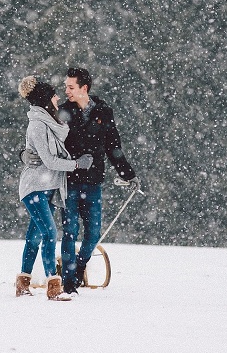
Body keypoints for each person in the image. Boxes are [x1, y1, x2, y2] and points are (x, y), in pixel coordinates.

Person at [22, 68, 141, 294]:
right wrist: (23, 154)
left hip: (94, 182)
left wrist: (128, 174)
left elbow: (113, 147)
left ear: (84, 88)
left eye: (70, 87)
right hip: (68, 182)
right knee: (70, 231)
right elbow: (40, 138)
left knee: (93, 233)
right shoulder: (62, 111)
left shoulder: (104, 112)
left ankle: (79, 268)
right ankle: (68, 283)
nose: (65, 91)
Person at [15, 75, 93, 301]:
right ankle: (53, 286)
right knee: (49, 234)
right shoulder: (38, 125)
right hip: (35, 188)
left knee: (34, 237)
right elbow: (49, 160)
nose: (58, 97)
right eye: (53, 95)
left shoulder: (52, 122)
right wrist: (77, 164)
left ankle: (22, 285)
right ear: (45, 99)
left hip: (48, 188)